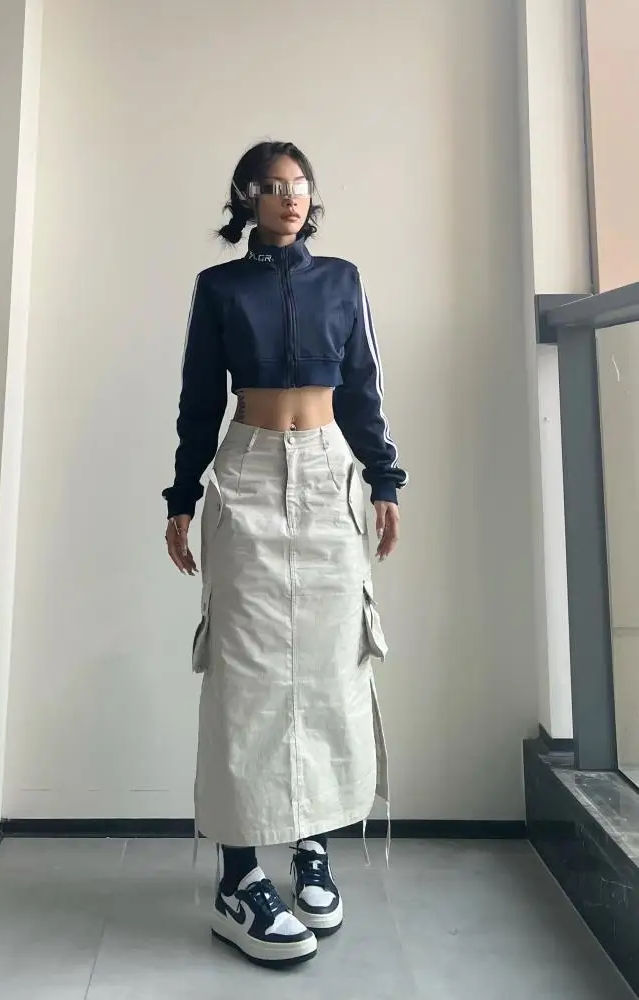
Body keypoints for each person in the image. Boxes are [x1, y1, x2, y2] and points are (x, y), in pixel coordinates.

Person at [163, 140, 406, 969]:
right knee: (247, 676)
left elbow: (364, 384)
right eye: (271, 186)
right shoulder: (220, 287)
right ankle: (238, 878)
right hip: (249, 471)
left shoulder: (341, 280)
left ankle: (310, 850)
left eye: (299, 184)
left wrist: (384, 477)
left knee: (332, 667)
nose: (289, 197)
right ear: (246, 198)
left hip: (331, 470)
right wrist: (182, 496)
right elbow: (199, 396)